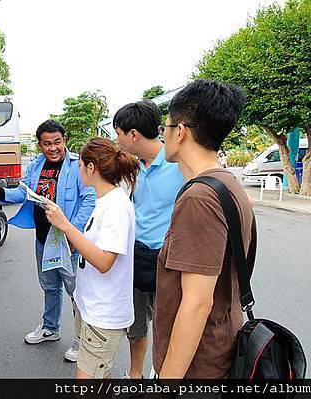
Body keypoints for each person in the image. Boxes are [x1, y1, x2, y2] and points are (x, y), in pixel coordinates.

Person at [153, 79, 253, 378]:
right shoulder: (229, 183)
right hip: (219, 345)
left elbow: (196, 304)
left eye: (165, 128)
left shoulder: (199, 197)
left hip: (197, 367)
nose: (164, 136)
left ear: (180, 131)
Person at [0, 120, 96, 362]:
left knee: (77, 292)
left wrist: (74, 232)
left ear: (64, 140)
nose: (53, 148)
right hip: (44, 239)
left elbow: (88, 199)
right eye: (47, 143)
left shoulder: (77, 166)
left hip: (68, 242)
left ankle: (81, 339)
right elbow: (23, 193)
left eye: (57, 142)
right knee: (50, 286)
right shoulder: (35, 166)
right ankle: (50, 328)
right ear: (40, 144)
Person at [44, 137, 139, 378]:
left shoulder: (116, 206)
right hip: (91, 305)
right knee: (101, 375)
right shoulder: (105, 200)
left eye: (79, 165)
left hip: (104, 313)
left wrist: (65, 226)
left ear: (91, 168)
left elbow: (105, 262)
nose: (77, 171)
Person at [113, 101, 184, 379]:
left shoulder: (178, 163)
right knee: (137, 325)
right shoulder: (131, 167)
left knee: (169, 326)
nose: (117, 140)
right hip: (137, 258)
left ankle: (162, 375)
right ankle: (135, 376)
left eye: (119, 133)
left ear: (133, 134)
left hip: (170, 262)